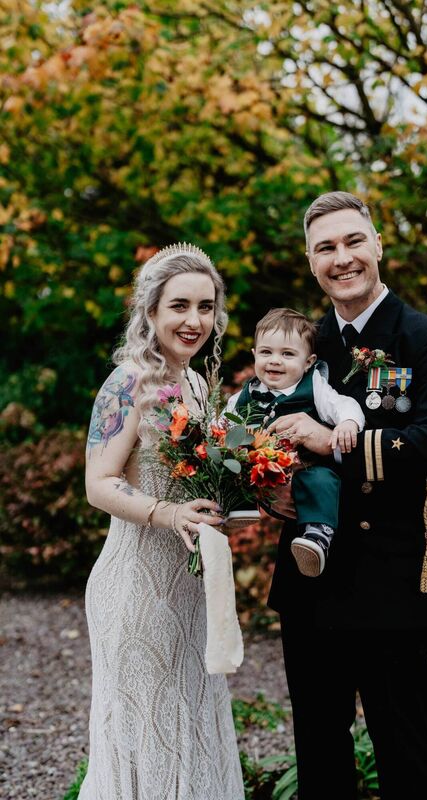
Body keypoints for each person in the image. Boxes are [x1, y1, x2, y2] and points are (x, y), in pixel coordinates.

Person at [268, 192, 427, 800]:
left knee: (404, 755)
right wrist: (265, 477)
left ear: (378, 245)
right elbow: (260, 429)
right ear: (310, 262)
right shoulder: (301, 345)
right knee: (320, 759)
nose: (342, 257)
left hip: (393, 581)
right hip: (312, 585)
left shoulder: (426, 339)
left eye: (353, 241)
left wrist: (333, 443)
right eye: (326, 247)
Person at [80, 243, 244, 800]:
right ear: (150, 311)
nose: (194, 320)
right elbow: (98, 483)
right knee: (148, 738)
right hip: (136, 590)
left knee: (192, 733)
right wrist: (165, 512)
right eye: (179, 306)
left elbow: (197, 480)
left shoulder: (199, 386)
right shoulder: (128, 383)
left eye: (205, 306)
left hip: (192, 588)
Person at [226, 307, 365, 577]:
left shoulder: (313, 386)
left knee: (322, 480)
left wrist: (348, 423)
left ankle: (316, 536)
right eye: (266, 352)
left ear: (308, 361)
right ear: (254, 354)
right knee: (232, 462)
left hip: (306, 464)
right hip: (259, 469)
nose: (275, 361)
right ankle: (240, 505)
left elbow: (343, 405)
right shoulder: (244, 395)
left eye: (287, 354)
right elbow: (222, 427)